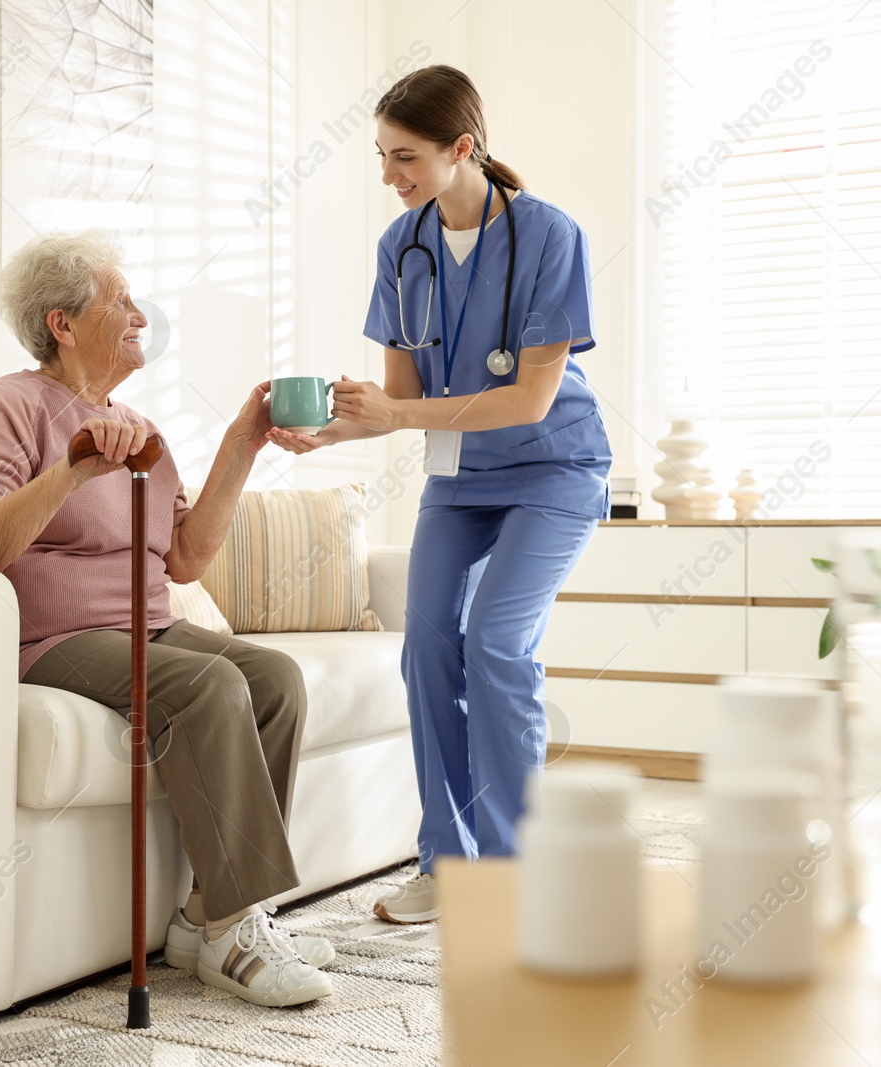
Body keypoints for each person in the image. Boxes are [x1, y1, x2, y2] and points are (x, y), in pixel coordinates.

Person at [0, 230, 334, 1008]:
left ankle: (207, 914)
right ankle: (233, 926)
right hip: (50, 640)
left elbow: (185, 557)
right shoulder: (4, 407)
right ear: (62, 321)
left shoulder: (138, 425)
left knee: (276, 679)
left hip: (147, 625)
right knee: (210, 685)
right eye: (121, 300)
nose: (140, 316)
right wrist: (71, 470)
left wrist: (242, 443)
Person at [271, 65, 612, 924]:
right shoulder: (404, 247)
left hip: (553, 468)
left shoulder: (547, 235)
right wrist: (333, 429)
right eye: (383, 157)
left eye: (407, 157)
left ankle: (511, 869)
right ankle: (445, 861)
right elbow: (399, 396)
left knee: (497, 642)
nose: (391, 177)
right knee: (426, 647)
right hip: (461, 475)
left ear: (464, 147)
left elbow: (530, 399)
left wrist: (396, 411)